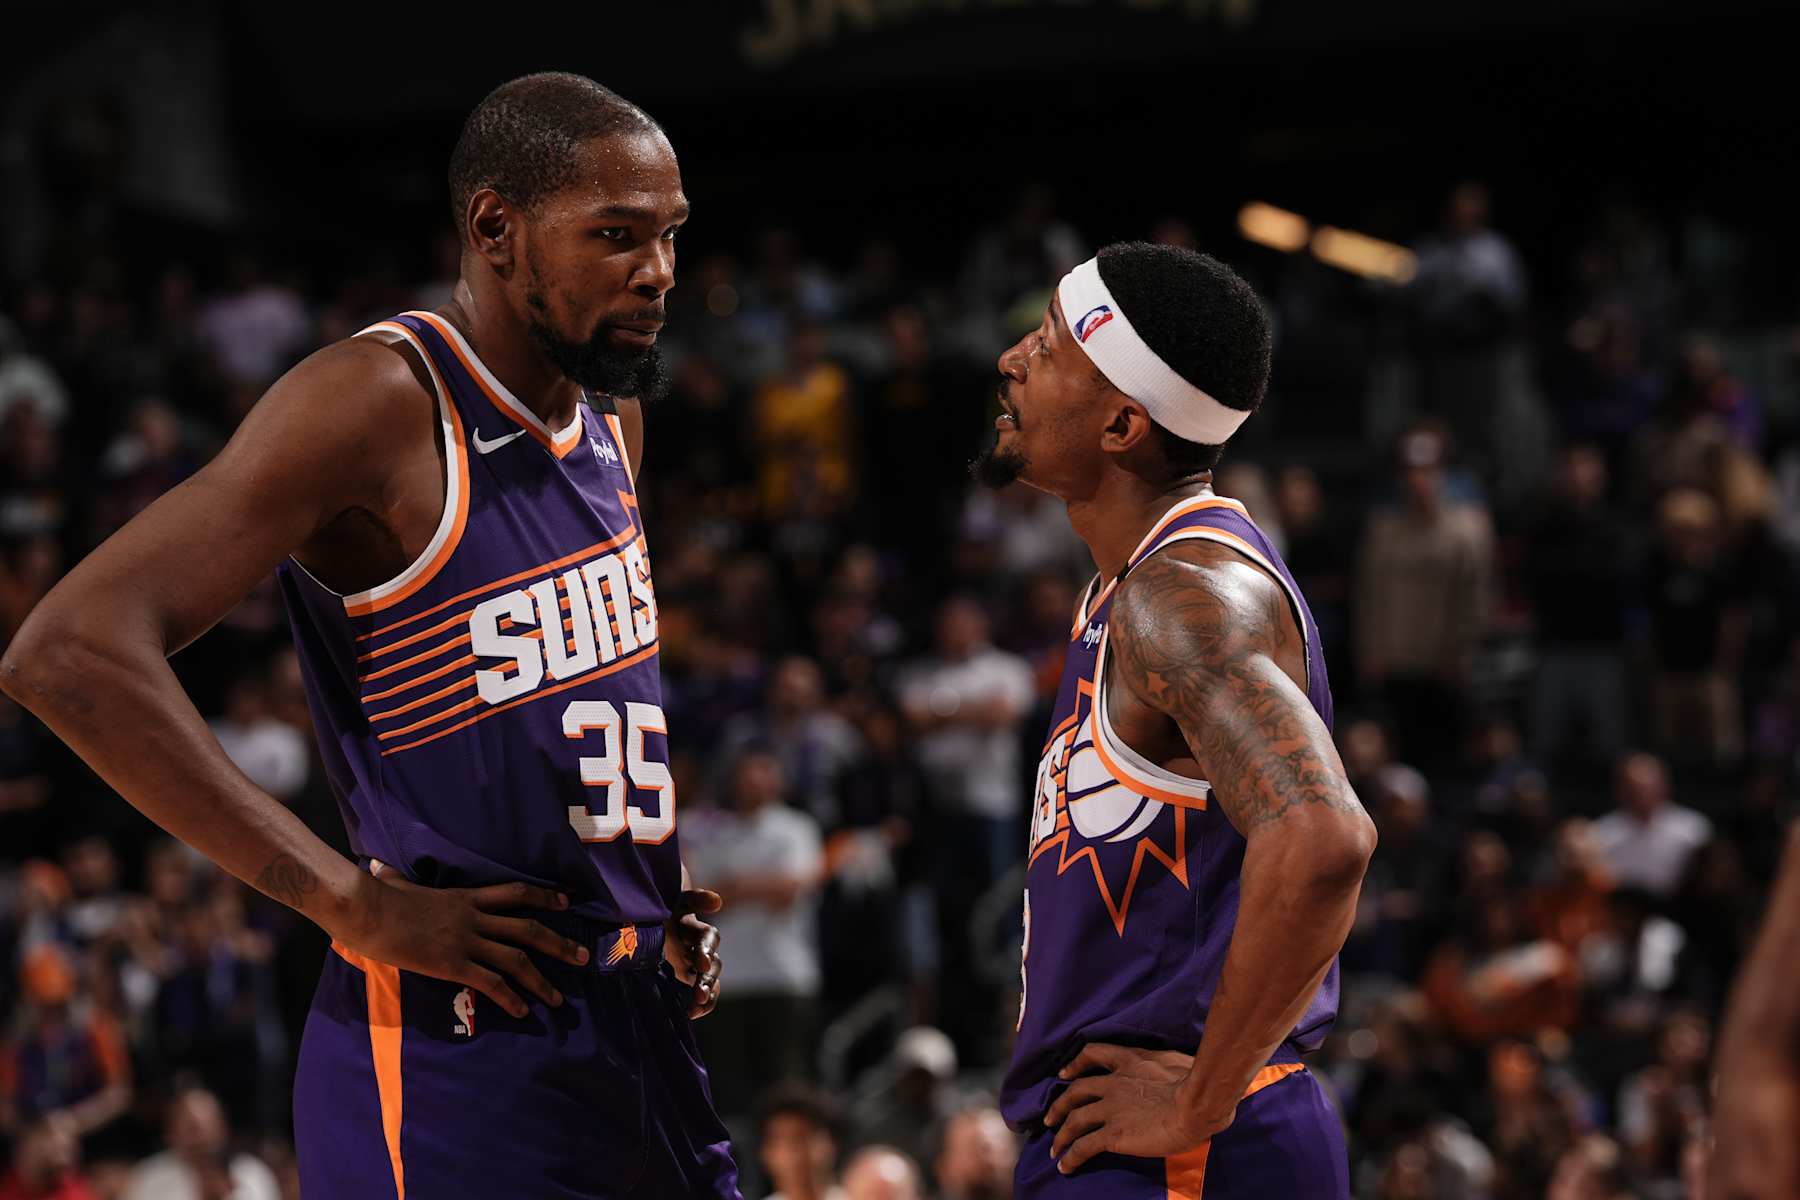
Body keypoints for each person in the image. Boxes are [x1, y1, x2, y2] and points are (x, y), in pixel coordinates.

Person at [0, 73, 734, 1198]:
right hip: (456, 1057)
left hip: (638, 1030)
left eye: (670, 237)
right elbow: (69, 651)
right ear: (496, 228)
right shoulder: (378, 401)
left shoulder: (612, 418)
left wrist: (647, 895)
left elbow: (563, 711)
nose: (658, 273)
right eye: (616, 236)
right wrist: (346, 903)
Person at [974, 243, 1375, 1196]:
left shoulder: (1181, 595)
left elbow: (1323, 838)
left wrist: (1202, 1100)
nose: (1011, 361)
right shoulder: (1134, 589)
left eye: (1050, 345)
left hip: (1185, 1153)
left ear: (1120, 423)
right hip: (1147, 1141)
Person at [123, 1084, 279, 1200]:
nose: (202, 1138)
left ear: (223, 1128)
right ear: (170, 1135)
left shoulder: (252, 1174)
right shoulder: (148, 1179)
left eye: (209, 1126)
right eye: (191, 1129)